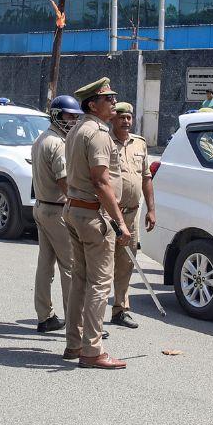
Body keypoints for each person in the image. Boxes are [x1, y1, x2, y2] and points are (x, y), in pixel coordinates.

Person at [62, 77, 129, 369]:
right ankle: (92, 349)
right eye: (108, 98)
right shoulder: (98, 134)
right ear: (93, 104)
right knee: (100, 283)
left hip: (77, 211)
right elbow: (101, 181)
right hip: (93, 215)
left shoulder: (78, 129)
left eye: (113, 97)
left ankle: (74, 343)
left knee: (80, 280)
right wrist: (120, 222)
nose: (113, 101)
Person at [30, 94, 81, 334]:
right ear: (57, 116)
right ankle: (76, 322)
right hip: (58, 209)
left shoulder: (42, 138)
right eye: (70, 116)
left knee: (45, 265)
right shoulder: (58, 144)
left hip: (42, 206)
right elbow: (65, 183)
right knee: (70, 267)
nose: (73, 121)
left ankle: (44, 315)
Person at [108, 101, 156, 330]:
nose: (126, 121)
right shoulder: (105, 142)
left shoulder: (140, 144)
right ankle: (94, 314)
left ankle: (120, 309)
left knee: (126, 263)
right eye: (121, 117)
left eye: (129, 117)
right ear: (112, 119)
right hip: (108, 216)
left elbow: (146, 178)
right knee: (103, 264)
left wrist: (151, 209)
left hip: (132, 213)